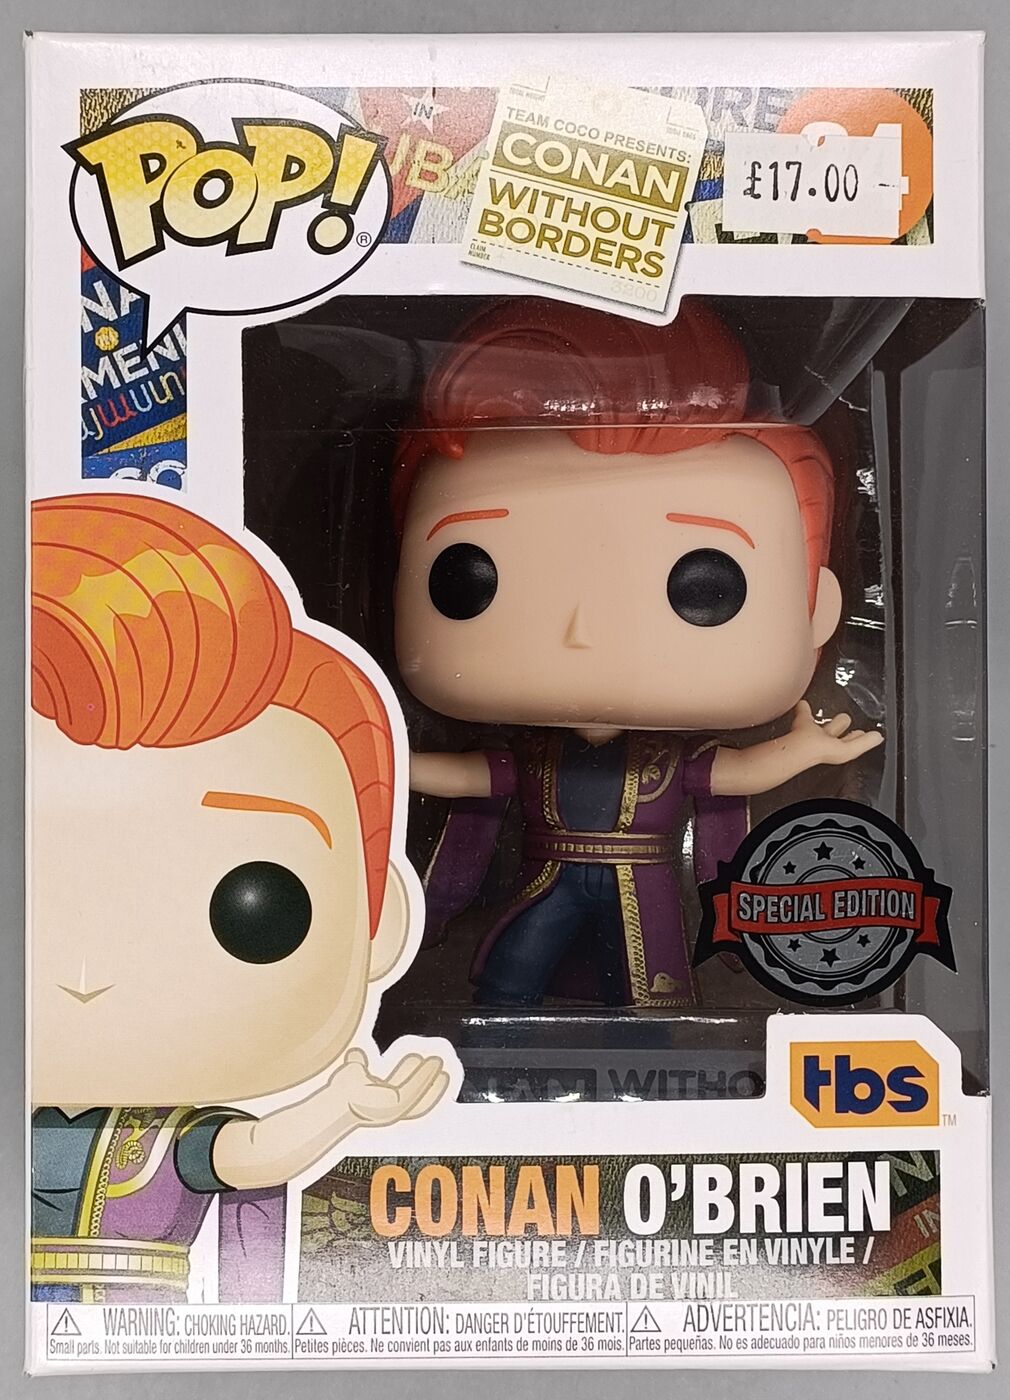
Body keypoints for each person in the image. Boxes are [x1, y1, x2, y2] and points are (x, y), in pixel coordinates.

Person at [393, 298, 882, 1009]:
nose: (581, 630)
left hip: (644, 886)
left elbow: (739, 772)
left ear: (819, 612)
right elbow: (468, 778)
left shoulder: (662, 760)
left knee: (652, 983)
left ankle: (651, 1029)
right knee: (512, 973)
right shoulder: (537, 759)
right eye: (469, 577)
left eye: (705, 586)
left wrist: (804, 748)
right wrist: (387, 759)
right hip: (547, 883)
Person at [30, 493, 448, 1303]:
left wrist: (340, 1110)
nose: (84, 973)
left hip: (144, 1339)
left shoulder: (168, 1140)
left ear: (379, 924)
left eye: (254, 910)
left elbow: (250, 1155)